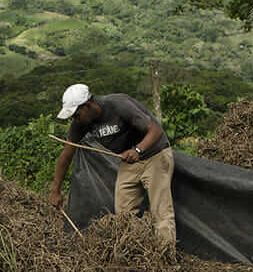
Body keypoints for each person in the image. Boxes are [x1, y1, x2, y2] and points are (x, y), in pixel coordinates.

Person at [49, 83, 176, 246]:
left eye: (76, 114)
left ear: (87, 105)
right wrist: (55, 190)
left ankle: (166, 260)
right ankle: (135, 253)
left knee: (161, 211)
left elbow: (156, 131)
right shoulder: (80, 124)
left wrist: (137, 150)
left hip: (154, 155)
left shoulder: (118, 105)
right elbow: (66, 155)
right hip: (129, 162)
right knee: (123, 213)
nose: (75, 119)